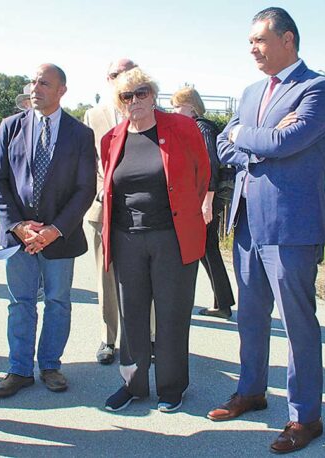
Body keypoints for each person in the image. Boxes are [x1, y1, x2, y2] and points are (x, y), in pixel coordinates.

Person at [209, 7, 325, 454]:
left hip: (291, 227)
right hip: (247, 223)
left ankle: (305, 417)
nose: (253, 49)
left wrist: (248, 136)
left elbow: (287, 142)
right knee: (250, 317)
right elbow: (224, 145)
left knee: (298, 324)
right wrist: (252, 139)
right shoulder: (249, 92)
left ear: (288, 39)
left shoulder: (316, 87)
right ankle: (251, 391)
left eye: (260, 40)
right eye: (249, 43)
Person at [100, 68, 209, 412]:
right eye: (127, 96)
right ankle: (133, 385)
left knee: (171, 314)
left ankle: (172, 387)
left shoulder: (181, 128)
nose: (135, 101)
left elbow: (202, 171)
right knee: (132, 316)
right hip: (127, 238)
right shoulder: (112, 138)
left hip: (172, 239)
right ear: (119, 102)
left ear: (154, 94)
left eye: (142, 92)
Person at [0, 63, 96, 398]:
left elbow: (85, 188)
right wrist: (18, 226)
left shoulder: (80, 134)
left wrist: (55, 230)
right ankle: (19, 369)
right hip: (19, 238)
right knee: (20, 303)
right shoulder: (10, 127)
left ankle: (50, 365)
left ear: (62, 90)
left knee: (57, 301)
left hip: (59, 238)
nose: (35, 88)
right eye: (33, 81)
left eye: (44, 83)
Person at [83, 58, 136, 364]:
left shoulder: (150, 110)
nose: (122, 79)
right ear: (108, 78)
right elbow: (90, 161)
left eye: (128, 72)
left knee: (146, 276)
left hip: (143, 211)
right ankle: (108, 338)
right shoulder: (93, 115)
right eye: (116, 74)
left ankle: (150, 336)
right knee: (106, 277)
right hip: (103, 209)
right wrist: (102, 187)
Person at [171, 86, 235, 319]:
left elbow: (209, 163)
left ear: (190, 107)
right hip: (202, 199)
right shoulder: (198, 128)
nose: (174, 110)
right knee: (207, 250)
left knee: (207, 250)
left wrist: (207, 201)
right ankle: (223, 302)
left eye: (177, 106)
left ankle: (223, 303)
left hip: (205, 200)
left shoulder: (202, 128)